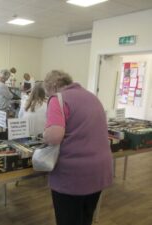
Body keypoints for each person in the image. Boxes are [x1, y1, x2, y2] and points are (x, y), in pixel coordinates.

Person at [43, 70, 113, 225]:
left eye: (47, 91)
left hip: (74, 174)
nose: (48, 95)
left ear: (53, 86)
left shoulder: (58, 99)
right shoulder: (91, 96)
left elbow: (54, 137)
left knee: (68, 220)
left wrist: (45, 134)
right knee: (85, 217)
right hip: (99, 169)